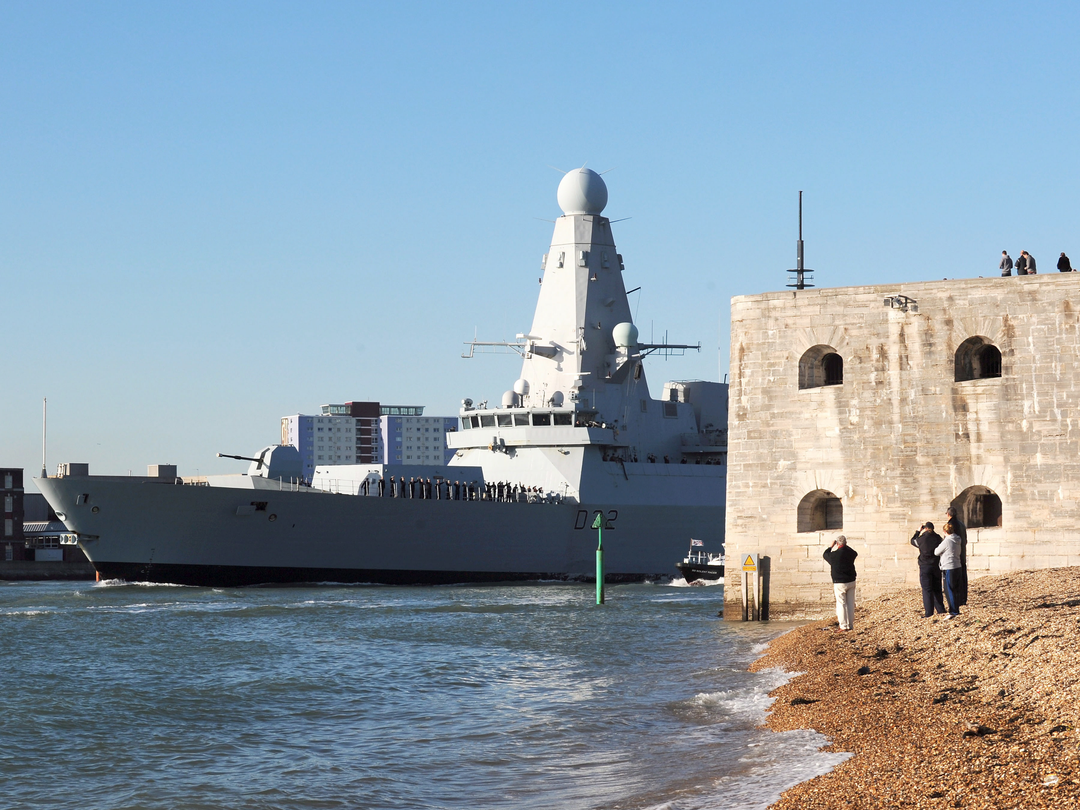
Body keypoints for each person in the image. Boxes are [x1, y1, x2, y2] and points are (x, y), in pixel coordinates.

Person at [822, 535, 858, 631]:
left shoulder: (834, 555)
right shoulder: (850, 553)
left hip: (839, 582)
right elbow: (855, 552)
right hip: (851, 580)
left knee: (841, 604)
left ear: (837, 544)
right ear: (845, 543)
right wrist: (845, 545)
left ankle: (843, 626)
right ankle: (850, 625)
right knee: (850, 603)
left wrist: (831, 546)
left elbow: (825, 554)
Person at [911, 522, 946, 617]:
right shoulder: (938, 538)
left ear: (925, 528)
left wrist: (918, 531)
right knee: (937, 588)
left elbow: (913, 541)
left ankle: (929, 612)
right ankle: (941, 610)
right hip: (936, 565)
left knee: (927, 590)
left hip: (925, 565)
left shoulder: (922, 539)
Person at [935, 522, 963, 618]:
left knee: (949, 589)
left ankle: (953, 611)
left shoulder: (947, 541)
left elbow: (936, 552)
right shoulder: (958, 539)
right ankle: (956, 609)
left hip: (948, 566)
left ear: (945, 531)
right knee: (956, 589)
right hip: (957, 566)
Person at [945, 505, 968, 607]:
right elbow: (965, 540)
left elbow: (948, 541)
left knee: (954, 579)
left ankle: (956, 600)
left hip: (954, 556)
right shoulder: (961, 524)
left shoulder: (950, 525)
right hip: (962, 553)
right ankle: (963, 598)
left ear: (948, 514)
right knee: (962, 577)